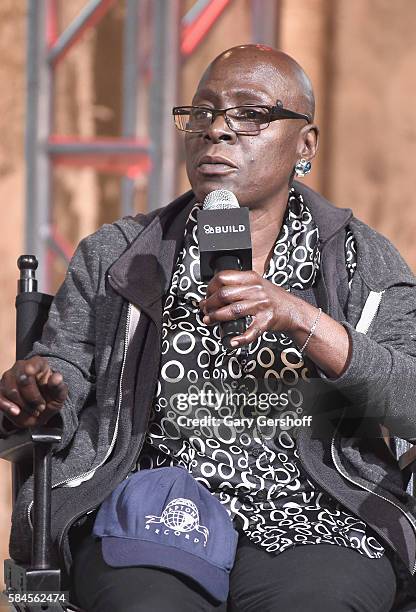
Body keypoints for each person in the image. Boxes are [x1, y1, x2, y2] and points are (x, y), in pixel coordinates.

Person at [1, 44, 416, 612]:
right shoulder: (120, 254)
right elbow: (67, 369)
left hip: (322, 513)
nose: (217, 131)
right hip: (154, 506)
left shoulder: (362, 260)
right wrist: (41, 393)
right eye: (202, 112)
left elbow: (410, 399)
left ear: (305, 145)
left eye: (249, 114)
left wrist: (300, 316)